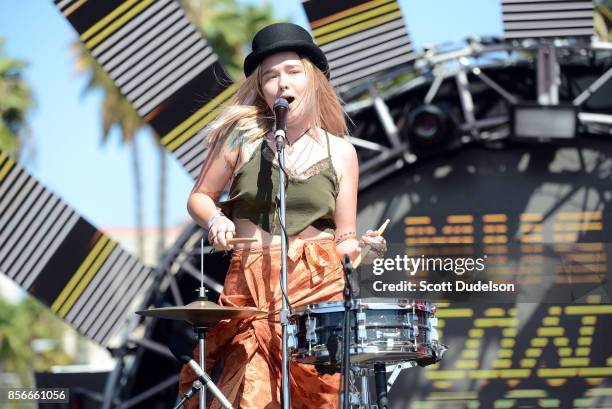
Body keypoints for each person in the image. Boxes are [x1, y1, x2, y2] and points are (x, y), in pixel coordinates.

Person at [181, 22, 387, 409]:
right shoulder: (240, 136)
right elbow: (200, 198)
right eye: (271, 75)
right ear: (261, 87)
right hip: (253, 284)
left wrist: (363, 250)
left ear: (313, 79)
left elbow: (344, 238)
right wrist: (216, 220)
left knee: (323, 398)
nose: (282, 83)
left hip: (318, 282)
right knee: (250, 397)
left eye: (293, 71)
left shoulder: (341, 151)